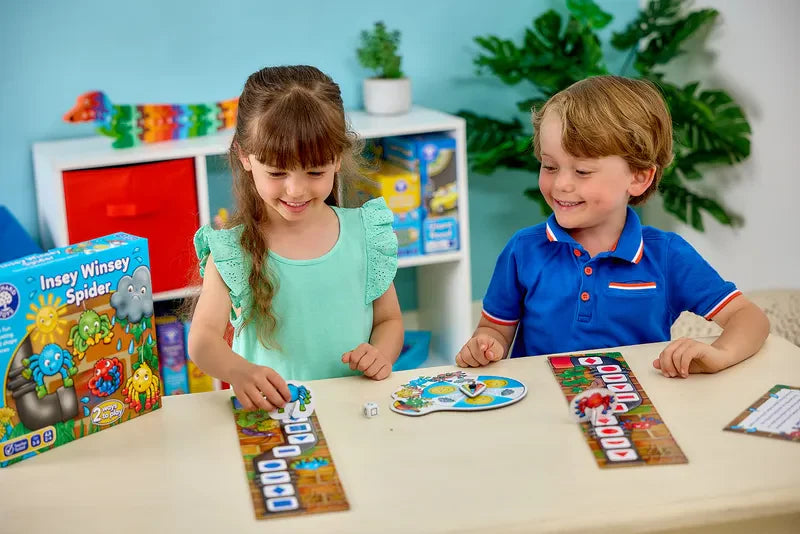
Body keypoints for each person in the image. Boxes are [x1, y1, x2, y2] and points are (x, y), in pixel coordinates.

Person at [456, 75, 769, 378]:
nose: (561, 184)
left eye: (582, 171)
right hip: (541, 412)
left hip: (639, 412)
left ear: (638, 177)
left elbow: (748, 317)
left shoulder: (666, 255)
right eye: (550, 166)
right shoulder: (524, 249)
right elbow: (494, 329)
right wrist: (485, 346)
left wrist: (721, 354)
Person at [188, 65, 403, 410]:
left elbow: (388, 320)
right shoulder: (232, 250)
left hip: (355, 408)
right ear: (244, 156)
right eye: (276, 172)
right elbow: (202, 340)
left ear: (338, 158)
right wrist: (239, 372)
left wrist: (379, 353)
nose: (296, 190)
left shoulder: (366, 234)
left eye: (315, 171)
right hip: (274, 417)